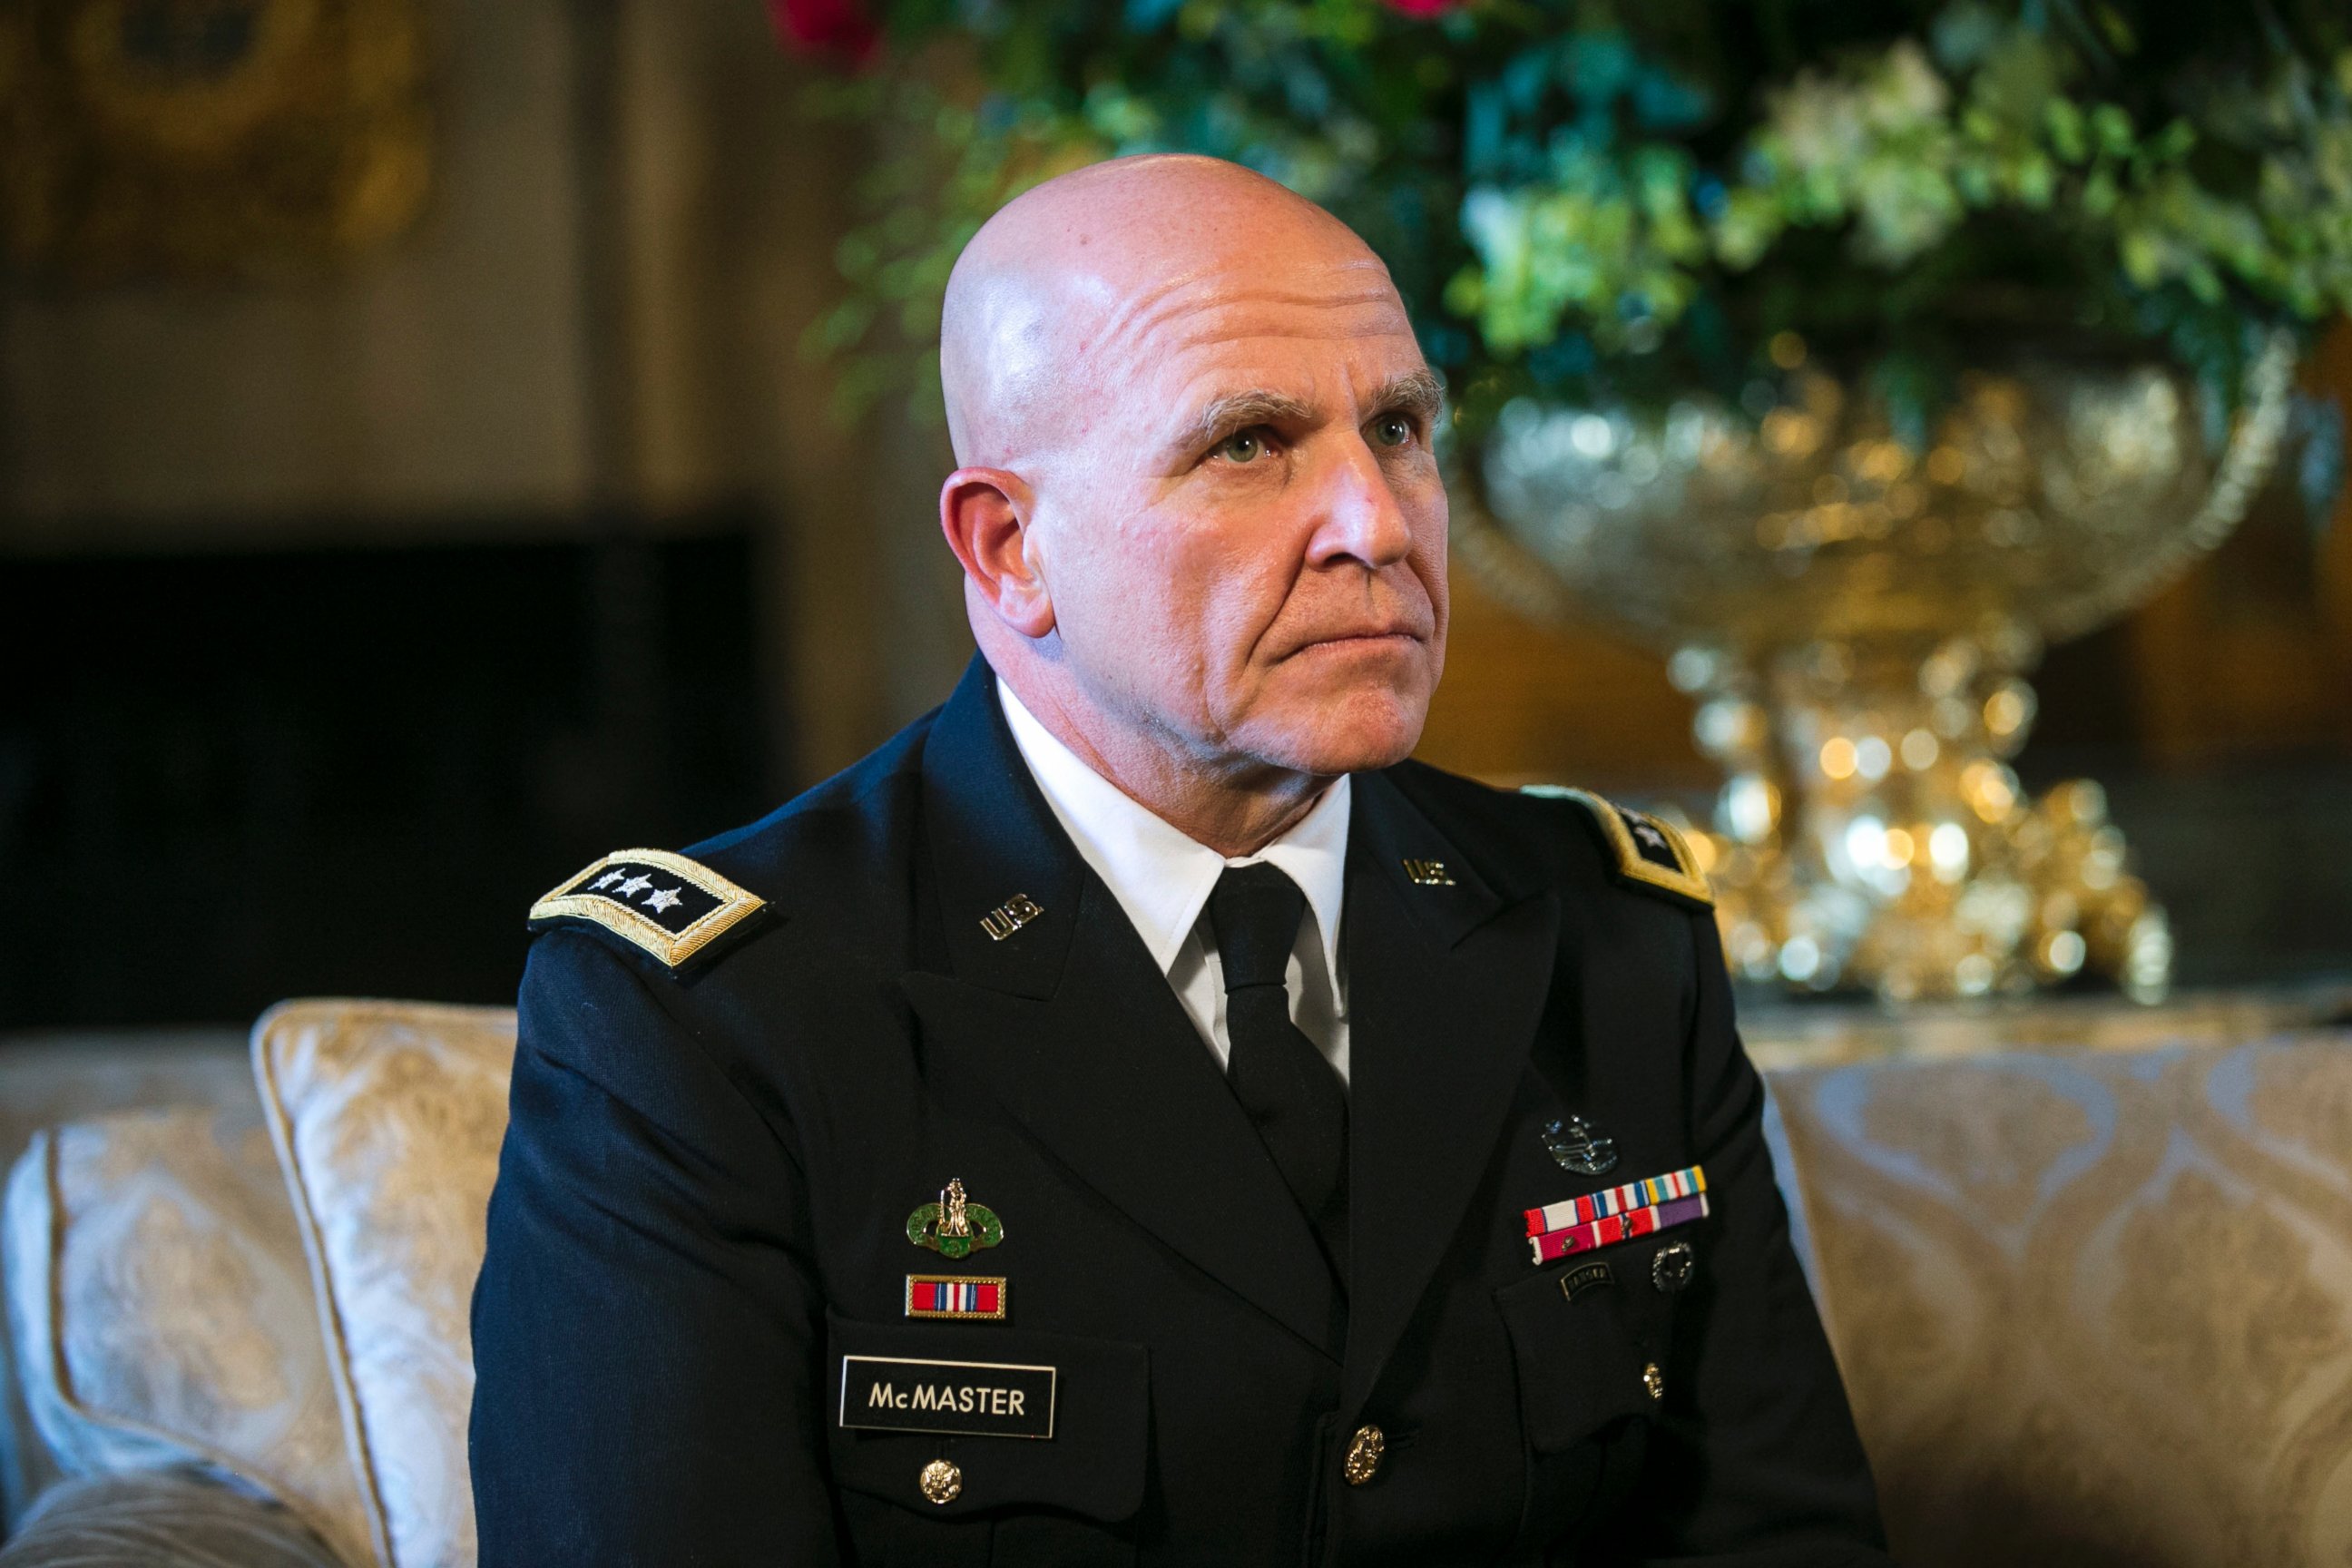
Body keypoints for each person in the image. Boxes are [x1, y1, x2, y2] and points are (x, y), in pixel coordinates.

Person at [468, 153, 1890, 1565]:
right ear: (1011, 548)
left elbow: (1784, 1539)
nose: (1378, 526)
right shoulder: (709, 1019)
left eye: (1397, 428)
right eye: (1249, 444)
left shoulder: (1604, 931)